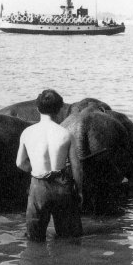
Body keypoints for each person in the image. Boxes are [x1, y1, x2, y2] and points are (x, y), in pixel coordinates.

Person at [16, 89, 83, 241]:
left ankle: (38, 263)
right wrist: (79, 191)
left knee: (34, 238)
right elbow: (76, 168)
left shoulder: (27, 132)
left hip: (38, 188)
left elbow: (20, 163)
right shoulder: (66, 134)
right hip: (62, 187)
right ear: (59, 110)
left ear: (38, 109)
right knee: (69, 238)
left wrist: (37, 171)